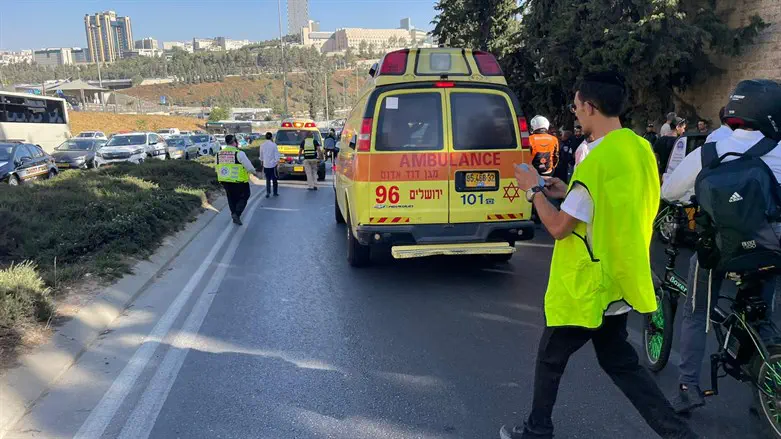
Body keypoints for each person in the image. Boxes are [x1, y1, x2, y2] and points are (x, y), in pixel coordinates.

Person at [501, 71, 698, 439]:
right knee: (621, 364)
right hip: (618, 279)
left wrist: (534, 192)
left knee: (550, 360)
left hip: (587, 288)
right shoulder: (639, 149)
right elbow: (609, 205)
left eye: (576, 107)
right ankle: (678, 434)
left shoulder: (596, 162)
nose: (575, 114)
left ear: (590, 106)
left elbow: (559, 228)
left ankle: (536, 431)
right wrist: (565, 191)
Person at [661, 79, 781, 414]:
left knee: (696, 313)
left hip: (719, 252)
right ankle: (770, 382)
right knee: (764, 315)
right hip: (770, 247)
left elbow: (670, 192)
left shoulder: (709, 150)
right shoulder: (779, 150)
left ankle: (688, 387)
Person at [216, 134, 260, 225]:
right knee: (245, 196)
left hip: (225, 181)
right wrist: (255, 173)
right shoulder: (239, 153)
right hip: (239, 181)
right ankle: (237, 213)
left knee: (231, 199)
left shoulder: (218, 154)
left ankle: (234, 214)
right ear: (235, 142)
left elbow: (216, 167)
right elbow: (249, 167)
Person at [260, 132, 280, 198]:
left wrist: (262, 162)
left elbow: (261, 155)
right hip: (273, 165)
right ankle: (275, 192)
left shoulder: (262, 145)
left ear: (265, 137)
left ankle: (268, 192)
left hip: (266, 165)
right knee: (274, 179)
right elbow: (277, 155)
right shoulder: (274, 145)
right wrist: (277, 162)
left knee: (268, 179)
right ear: (271, 137)